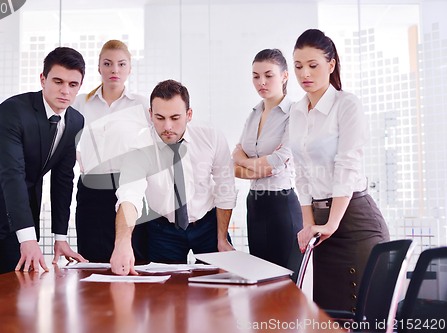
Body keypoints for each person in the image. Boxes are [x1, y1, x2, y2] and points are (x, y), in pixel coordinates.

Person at [0, 47, 88, 283]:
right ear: (43, 80)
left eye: (73, 85)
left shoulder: (75, 121)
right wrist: (28, 238)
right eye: (58, 81)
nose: (65, 91)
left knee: (21, 292)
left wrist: (60, 237)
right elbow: (12, 174)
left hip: (18, 218)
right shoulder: (12, 111)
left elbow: (63, 179)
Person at [291, 29, 390, 312]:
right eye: (298, 66)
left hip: (354, 222)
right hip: (323, 228)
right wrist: (309, 224)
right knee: (326, 317)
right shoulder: (297, 112)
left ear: (331, 64)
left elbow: (346, 166)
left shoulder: (347, 105)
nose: (304, 74)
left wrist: (332, 223)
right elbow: (301, 173)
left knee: (359, 316)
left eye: (313, 65)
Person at [110, 79, 237, 275]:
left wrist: (222, 237)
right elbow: (129, 195)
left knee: (217, 290)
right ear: (150, 115)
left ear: (189, 114)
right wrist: (123, 242)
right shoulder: (140, 146)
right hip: (163, 229)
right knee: (164, 295)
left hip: (208, 225)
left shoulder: (211, 136)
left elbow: (225, 187)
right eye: (160, 118)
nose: (167, 126)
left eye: (175, 117)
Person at [73, 40, 150, 262]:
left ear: (129, 69)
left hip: (128, 187)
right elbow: (64, 139)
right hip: (91, 190)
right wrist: (80, 158)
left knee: (133, 256)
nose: (114, 69)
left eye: (121, 64)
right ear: (98, 68)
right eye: (107, 63)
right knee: (92, 258)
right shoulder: (80, 104)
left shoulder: (141, 105)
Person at [232, 49, 303, 270]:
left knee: (284, 282)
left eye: (268, 75)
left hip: (282, 206)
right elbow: (234, 167)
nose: (261, 81)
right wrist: (259, 165)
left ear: (284, 76)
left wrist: (243, 160)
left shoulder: (296, 113)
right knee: (259, 278)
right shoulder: (253, 114)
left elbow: (277, 162)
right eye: (255, 76)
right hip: (254, 204)